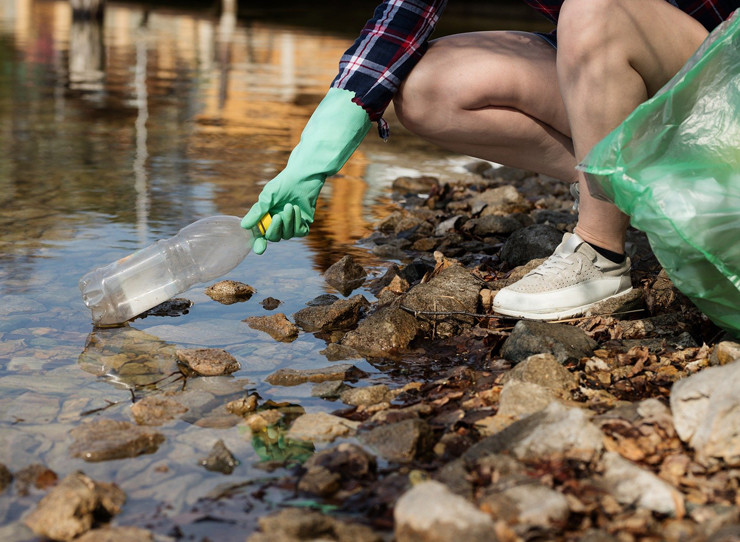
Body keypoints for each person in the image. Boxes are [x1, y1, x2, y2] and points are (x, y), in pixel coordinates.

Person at [241, 0, 738, 321]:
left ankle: (600, 252)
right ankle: (644, 193)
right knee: (427, 87)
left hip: (725, 85)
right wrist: (314, 153)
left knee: (593, 9)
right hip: (651, 82)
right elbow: (403, 15)